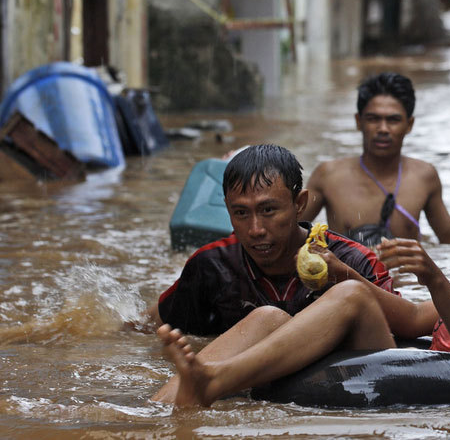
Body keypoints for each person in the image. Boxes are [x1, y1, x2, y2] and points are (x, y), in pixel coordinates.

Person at [154, 183, 450, 407]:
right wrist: (340, 271)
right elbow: (412, 320)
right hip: (404, 355)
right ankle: (162, 402)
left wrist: (436, 277)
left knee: (353, 301)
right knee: (267, 317)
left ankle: (214, 382)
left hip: (418, 374)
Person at [147, 144, 397, 337]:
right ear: (227, 209)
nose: (255, 230)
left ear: (299, 204)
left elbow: (401, 326)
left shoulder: (353, 261)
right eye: (241, 213)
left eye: (268, 210)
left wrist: (343, 277)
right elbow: (155, 330)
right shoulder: (211, 267)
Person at [301, 72, 450, 247]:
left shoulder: (424, 176)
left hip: (404, 276)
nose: (383, 129)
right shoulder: (328, 176)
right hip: (345, 275)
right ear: (358, 121)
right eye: (373, 119)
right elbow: (290, 233)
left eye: (393, 120)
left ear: (409, 125)